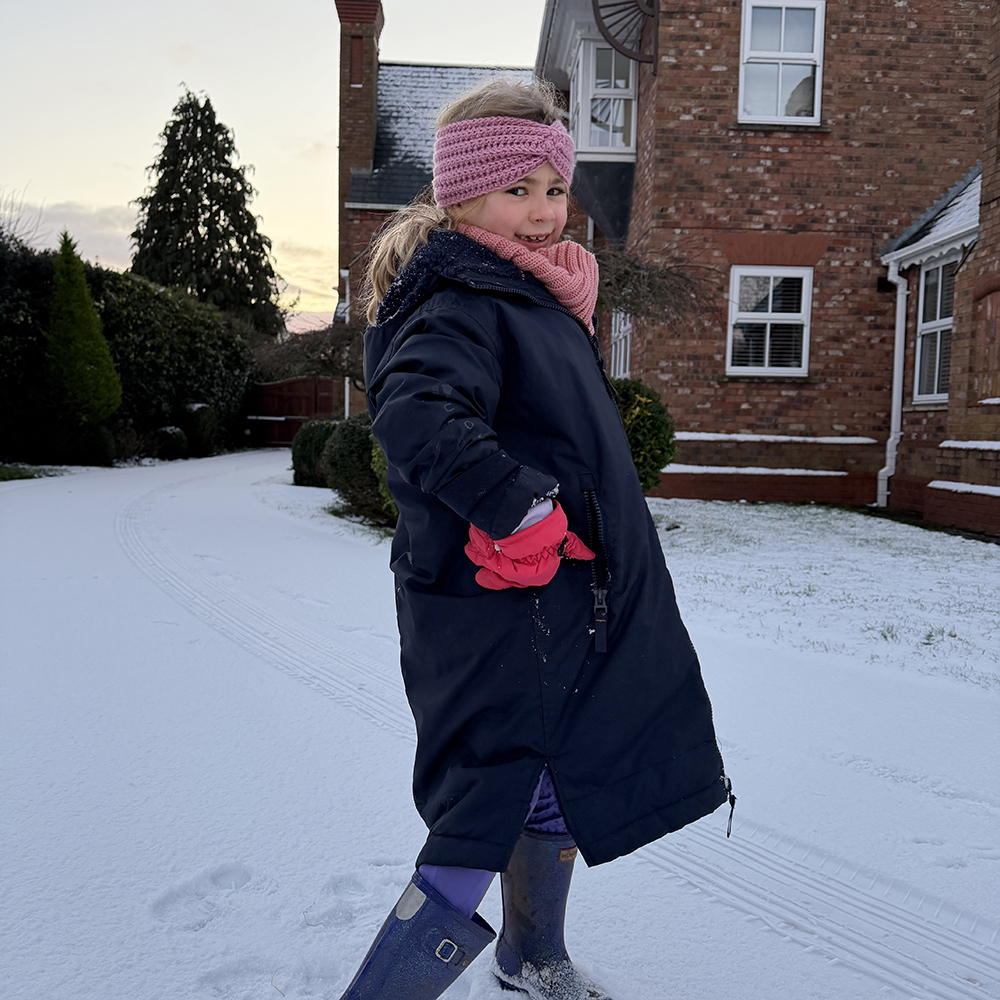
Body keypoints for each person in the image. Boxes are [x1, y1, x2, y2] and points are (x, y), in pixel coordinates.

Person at [339, 77, 734, 1000]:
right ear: (463, 195)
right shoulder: (459, 296)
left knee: (549, 782)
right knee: (491, 796)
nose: (543, 212)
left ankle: (531, 956)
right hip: (504, 616)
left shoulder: (532, 292)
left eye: (554, 189)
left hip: (559, 607)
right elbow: (417, 414)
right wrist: (518, 507)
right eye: (517, 189)